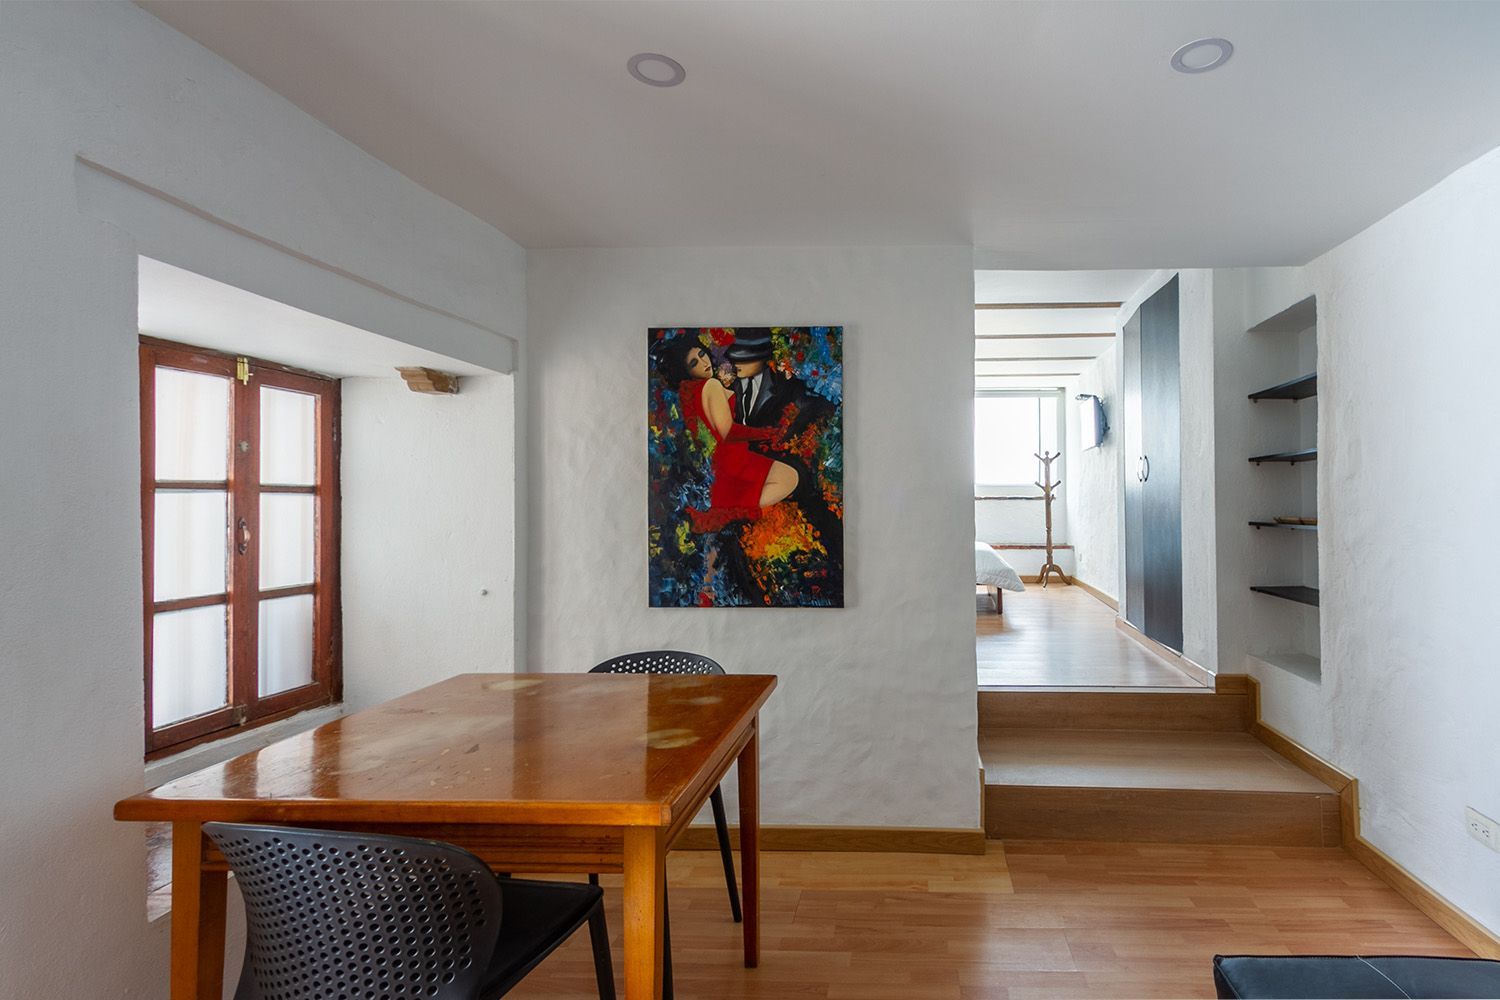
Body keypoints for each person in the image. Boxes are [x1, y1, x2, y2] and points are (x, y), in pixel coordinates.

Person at [655, 337, 798, 531]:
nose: (705, 362)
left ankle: (733, 511)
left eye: (702, 354)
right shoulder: (710, 385)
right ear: (685, 371)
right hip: (733, 459)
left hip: (720, 461)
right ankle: (735, 511)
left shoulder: (687, 394)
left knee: (784, 479)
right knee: (789, 478)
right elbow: (727, 432)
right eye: (694, 363)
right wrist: (766, 433)